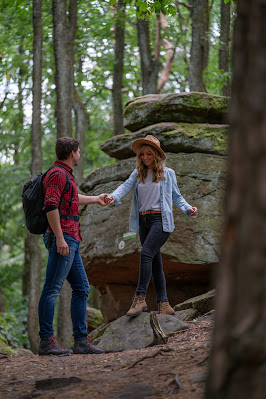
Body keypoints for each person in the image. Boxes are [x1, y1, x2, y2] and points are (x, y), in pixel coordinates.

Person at [108, 135, 198, 317]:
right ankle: (164, 304)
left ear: (156, 154)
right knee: (155, 264)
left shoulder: (168, 173)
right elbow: (125, 186)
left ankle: (140, 298)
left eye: (149, 154)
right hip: (144, 222)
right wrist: (113, 196)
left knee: (146, 254)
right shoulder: (138, 173)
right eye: (142, 154)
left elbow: (177, 197)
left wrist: (188, 208)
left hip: (160, 221)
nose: (145, 157)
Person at [38, 137, 111, 356]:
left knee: (81, 288)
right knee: (52, 289)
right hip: (64, 238)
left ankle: (80, 341)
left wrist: (96, 199)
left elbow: (69, 199)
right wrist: (59, 238)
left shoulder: (64, 174)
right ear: (72, 152)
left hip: (72, 238)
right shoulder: (57, 174)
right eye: (79, 151)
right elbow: (50, 205)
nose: (80, 154)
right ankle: (46, 342)